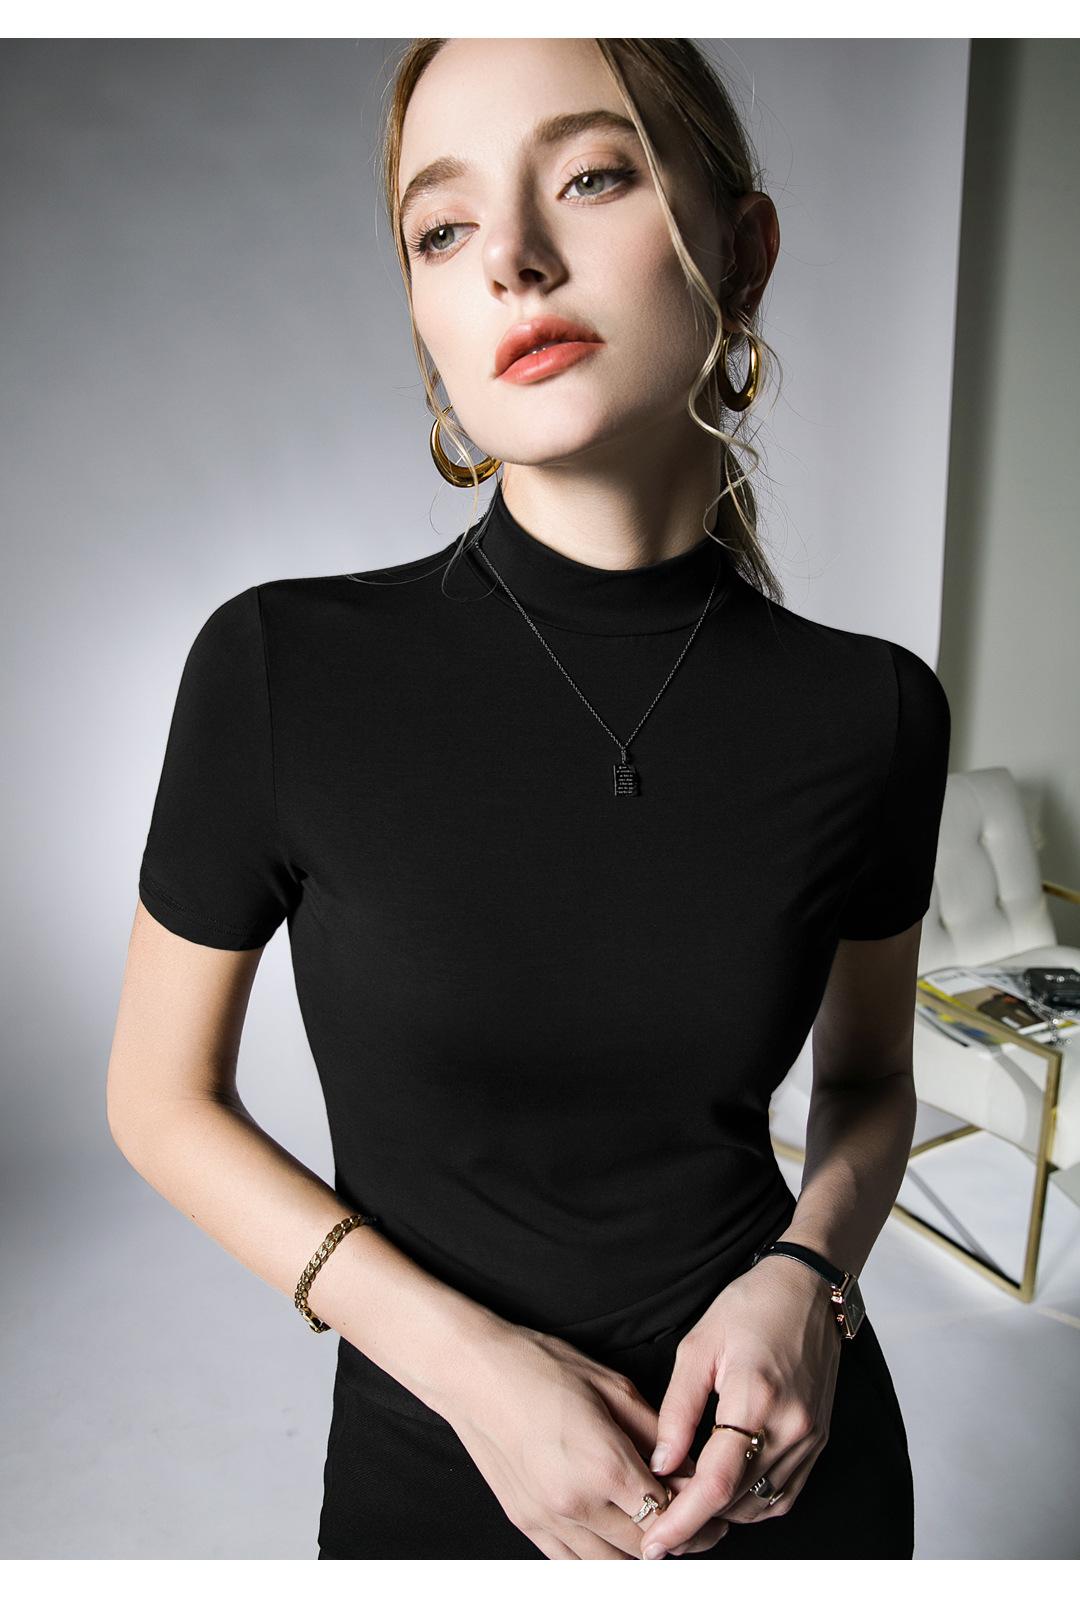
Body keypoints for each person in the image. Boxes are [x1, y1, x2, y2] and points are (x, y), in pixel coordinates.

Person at [106, 38, 950, 1561]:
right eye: (442, 228)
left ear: (742, 251)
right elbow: (159, 1099)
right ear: (424, 311)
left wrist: (808, 1278)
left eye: (593, 176)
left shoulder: (874, 712)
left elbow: (871, 1082)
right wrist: (472, 1371)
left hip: (787, 1471)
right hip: (439, 1476)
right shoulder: (282, 669)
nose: (511, 256)